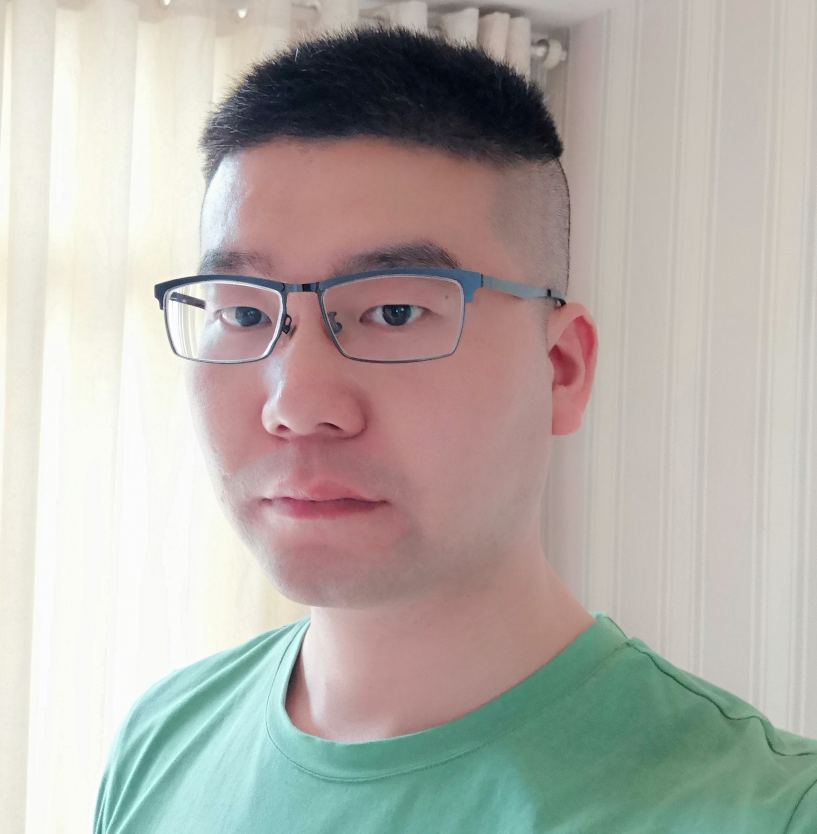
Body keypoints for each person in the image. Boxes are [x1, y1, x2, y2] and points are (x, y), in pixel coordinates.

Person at [93, 24, 817, 833]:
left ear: (560, 370)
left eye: (395, 311)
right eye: (242, 312)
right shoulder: (161, 741)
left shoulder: (767, 811)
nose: (295, 404)